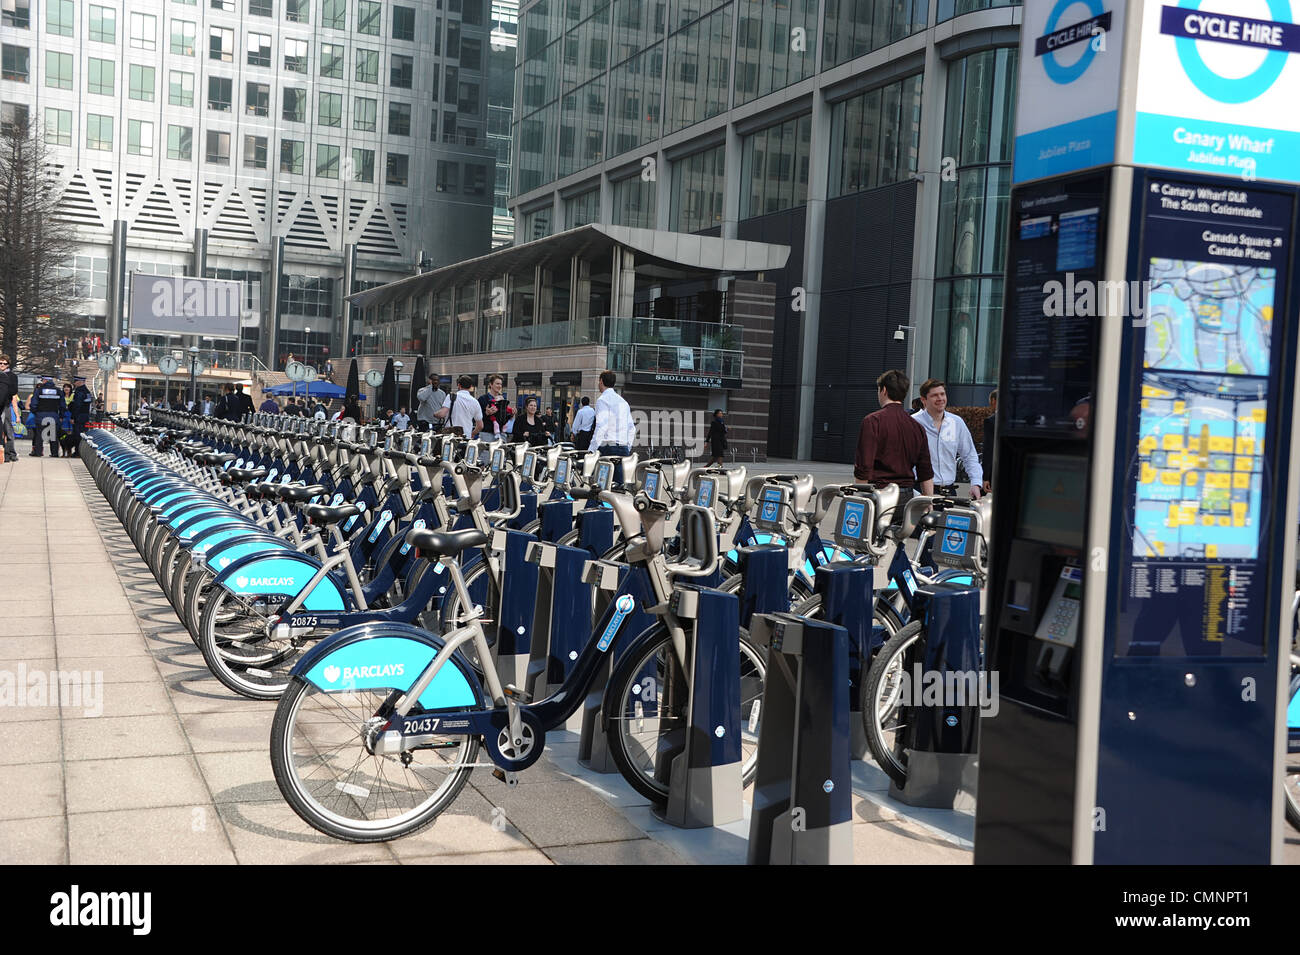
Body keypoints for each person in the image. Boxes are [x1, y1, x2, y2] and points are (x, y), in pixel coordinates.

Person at [854, 369, 934, 512]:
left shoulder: (872, 421)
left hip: (879, 494)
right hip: (906, 497)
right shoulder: (917, 427)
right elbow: (925, 470)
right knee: (899, 534)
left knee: (871, 534)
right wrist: (929, 502)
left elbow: (864, 466)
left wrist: (858, 499)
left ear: (883, 390)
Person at [912, 378, 982, 500]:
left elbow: (969, 456)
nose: (940, 398)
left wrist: (975, 483)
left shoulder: (957, 422)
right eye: (934, 395)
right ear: (923, 400)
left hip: (949, 493)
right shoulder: (913, 423)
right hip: (920, 491)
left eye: (942, 394)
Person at [591, 370, 635, 460]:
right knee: (619, 474)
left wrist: (592, 449)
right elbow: (631, 428)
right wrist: (627, 446)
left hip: (607, 447)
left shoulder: (602, 400)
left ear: (601, 381)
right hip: (623, 447)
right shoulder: (623, 402)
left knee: (600, 473)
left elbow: (601, 426)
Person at [28, 375, 65, 458]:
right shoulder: (58, 391)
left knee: (39, 435)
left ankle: (38, 452)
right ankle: (54, 453)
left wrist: (35, 412)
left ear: (45, 380)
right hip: (54, 415)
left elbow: (33, 404)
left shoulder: (39, 390)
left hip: (41, 415)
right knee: (53, 435)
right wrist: (61, 415)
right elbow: (62, 405)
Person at [479, 374, 511, 441]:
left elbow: (504, 418)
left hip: (501, 434)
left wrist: (511, 414)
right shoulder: (482, 399)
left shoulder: (503, 399)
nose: (499, 386)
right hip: (487, 434)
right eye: (497, 384)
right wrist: (486, 413)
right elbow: (477, 418)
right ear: (491, 384)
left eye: (501, 384)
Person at [0, 354, 19, 464]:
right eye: (0, 363)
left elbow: (13, 391)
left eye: (4, 363)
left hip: (5, 405)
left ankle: (10, 453)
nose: (2, 365)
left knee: (8, 430)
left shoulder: (12, 376)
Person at [70, 376, 93, 454]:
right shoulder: (87, 392)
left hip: (79, 416)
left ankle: (77, 452)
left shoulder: (79, 391)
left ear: (80, 382)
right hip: (85, 416)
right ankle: (81, 451)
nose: (74, 383)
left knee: (77, 435)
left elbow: (77, 406)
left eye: (76, 381)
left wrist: (73, 417)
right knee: (83, 434)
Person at [982, 389, 997, 493]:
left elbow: (989, 449)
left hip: (994, 472)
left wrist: (985, 477)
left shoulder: (991, 421)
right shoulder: (1016, 421)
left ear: (993, 401)